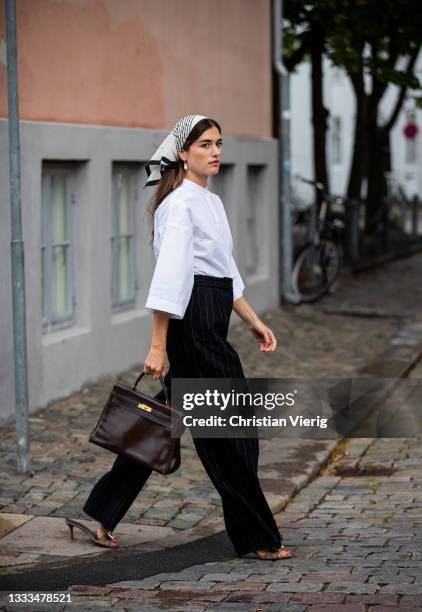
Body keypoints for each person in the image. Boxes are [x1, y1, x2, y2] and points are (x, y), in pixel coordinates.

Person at [67, 115, 291, 560]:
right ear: (182, 153)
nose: (215, 152)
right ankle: (257, 536)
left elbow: (225, 271)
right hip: (191, 326)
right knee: (231, 432)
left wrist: (251, 319)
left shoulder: (211, 202)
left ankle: (100, 514)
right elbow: (170, 277)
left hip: (210, 318)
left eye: (219, 144)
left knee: (162, 422)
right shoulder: (179, 204)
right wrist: (158, 344)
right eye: (205, 144)